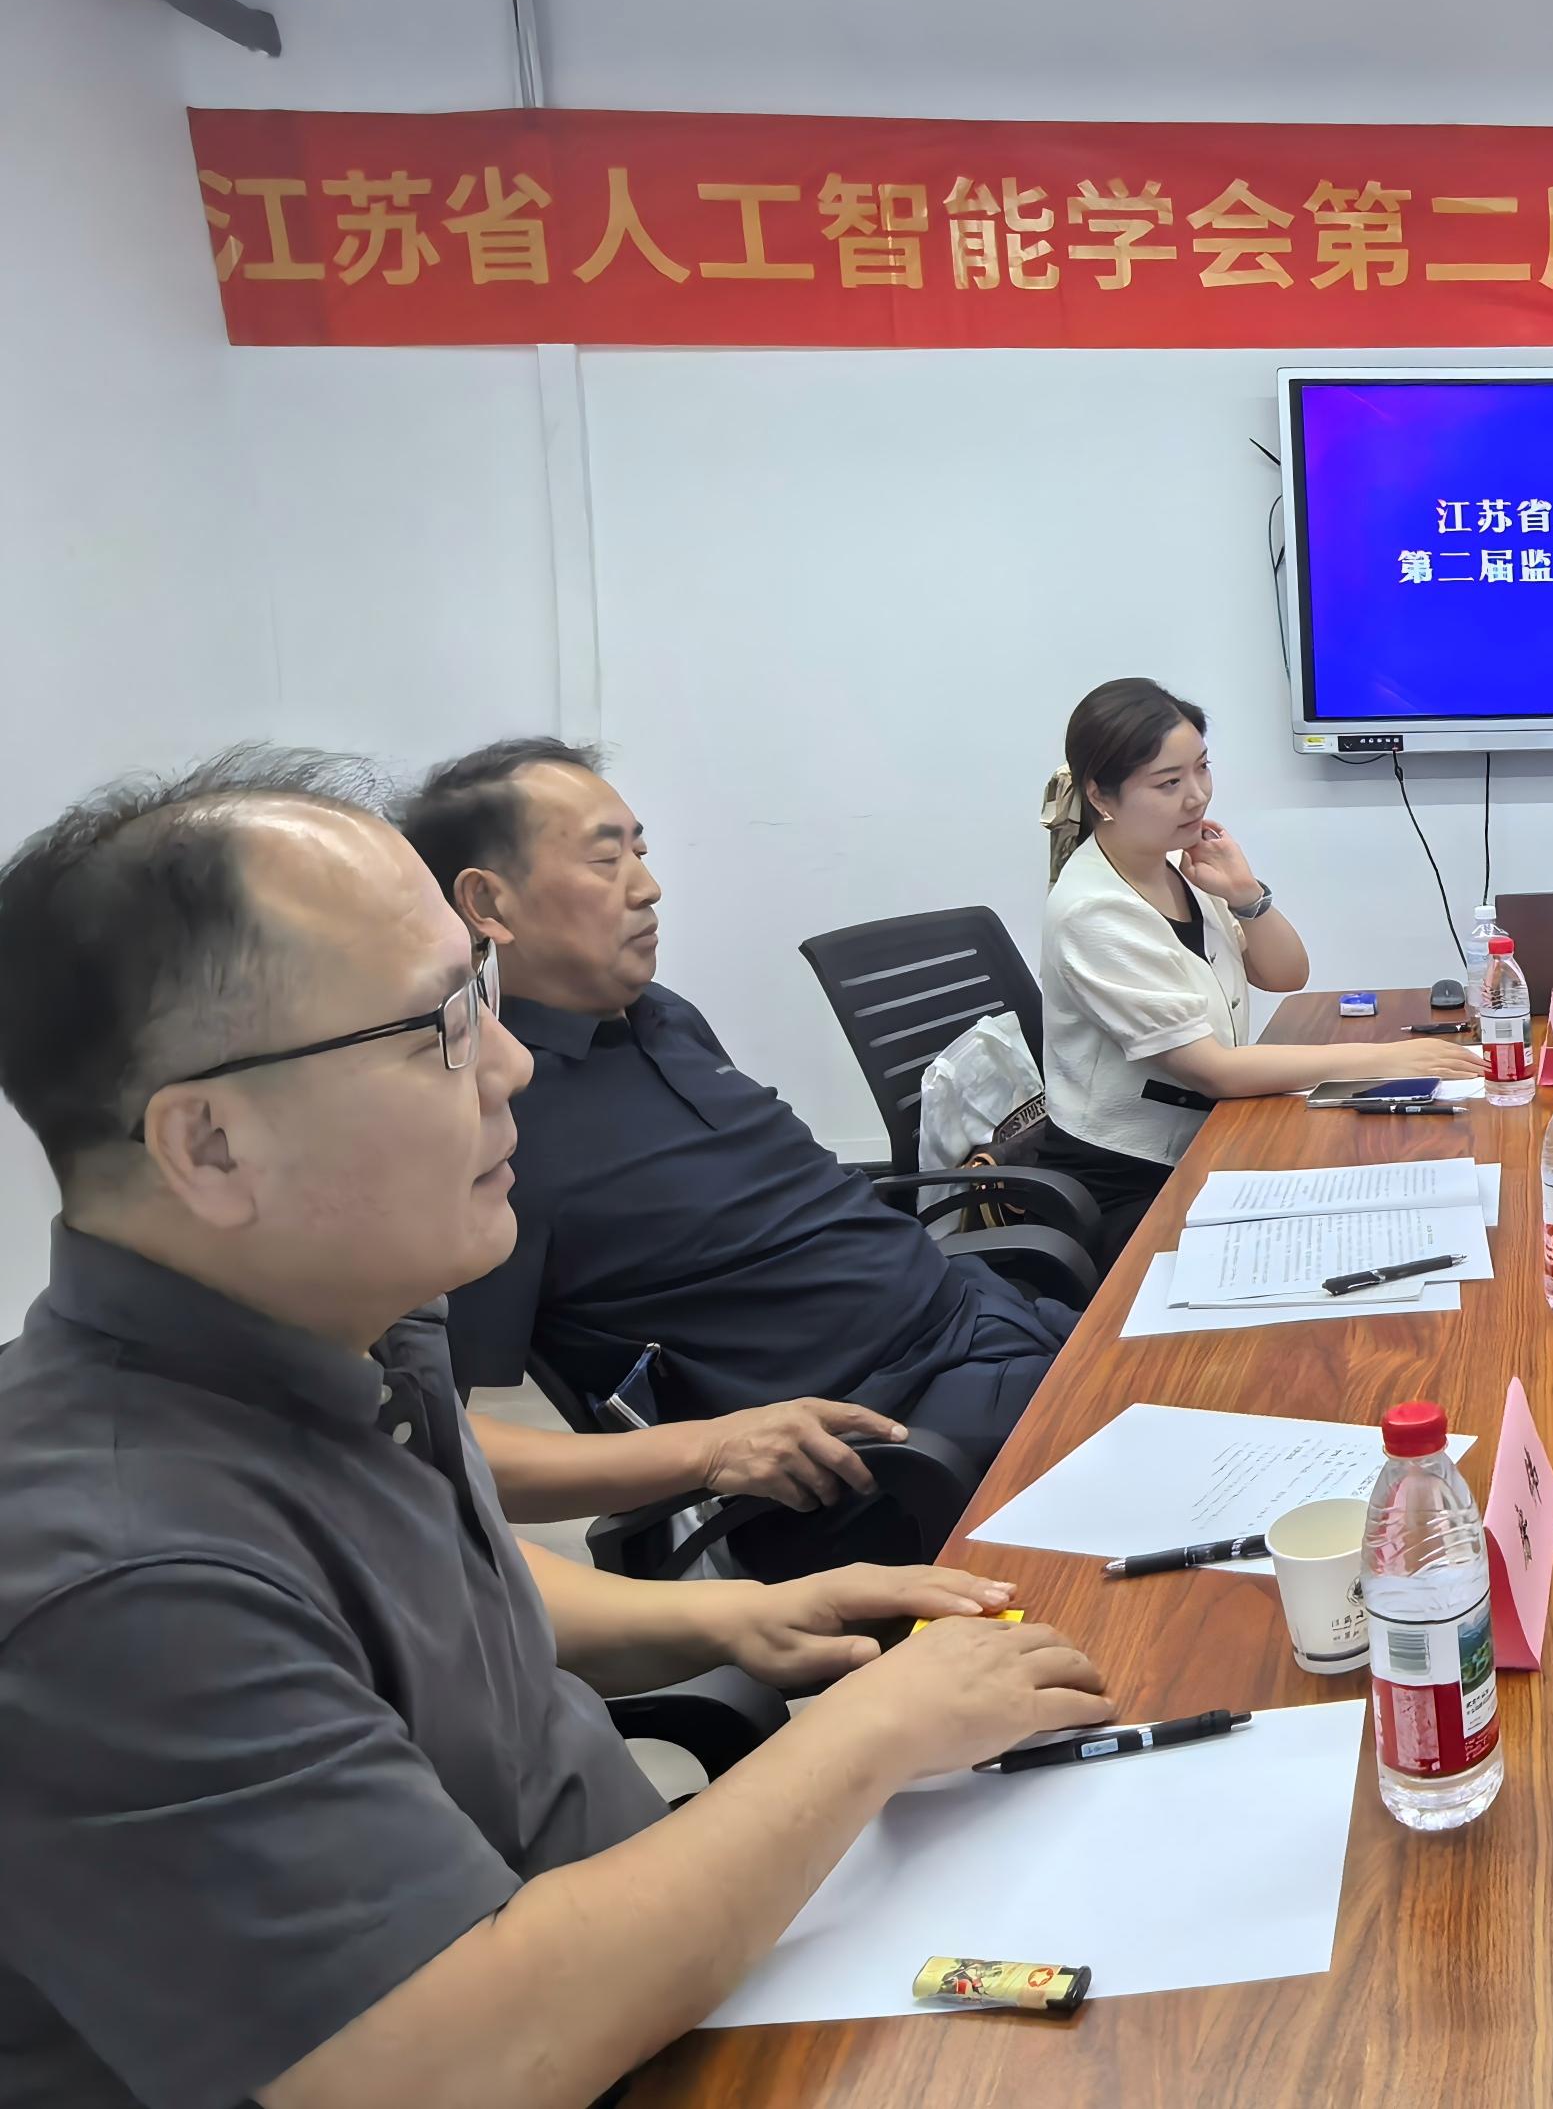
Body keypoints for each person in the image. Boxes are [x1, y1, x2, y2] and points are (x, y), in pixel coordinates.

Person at [0, 752, 1113, 2109]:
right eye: (437, 1024)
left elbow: (420, 1590)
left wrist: (733, 1618)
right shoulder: (115, 1581)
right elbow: (456, 2063)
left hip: (658, 1953)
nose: (514, 1059)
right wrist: (869, 1730)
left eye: (478, 990)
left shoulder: (350, 1329)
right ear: (210, 1144)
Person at [398, 739, 1079, 1515]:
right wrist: (709, 1451)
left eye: (640, 853)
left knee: (1193, 1360)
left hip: (984, 1317)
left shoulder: (662, 1015)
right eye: (604, 861)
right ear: (488, 905)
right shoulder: (486, 1120)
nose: (648, 887)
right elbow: (423, 1442)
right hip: (891, 1442)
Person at [1038, 678, 1474, 1260]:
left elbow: (1286, 975)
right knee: (1333, 1241)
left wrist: (1246, 895)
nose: (1197, 796)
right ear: (1101, 796)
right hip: (1131, 1178)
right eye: (1169, 783)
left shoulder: (1178, 866)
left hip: (1210, 1134)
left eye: (1202, 768)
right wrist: (1386, 1060)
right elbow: (1214, 1071)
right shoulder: (1094, 911)